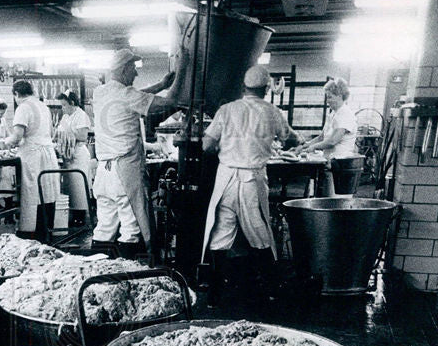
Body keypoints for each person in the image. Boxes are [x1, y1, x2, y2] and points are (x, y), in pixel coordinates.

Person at [201, 64, 301, 302]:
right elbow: (290, 140)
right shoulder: (271, 111)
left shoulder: (226, 110)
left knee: (221, 232)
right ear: (266, 89)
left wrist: (226, 148)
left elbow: (206, 145)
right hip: (251, 180)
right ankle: (270, 290)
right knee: (259, 232)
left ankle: (214, 294)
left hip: (225, 178)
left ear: (244, 87)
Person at [91, 47, 189, 259]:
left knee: (105, 225)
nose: (136, 74)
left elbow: (136, 95)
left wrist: (162, 85)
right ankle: (130, 275)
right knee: (131, 227)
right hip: (123, 172)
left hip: (103, 171)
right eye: (134, 69)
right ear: (125, 69)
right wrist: (182, 75)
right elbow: (169, 103)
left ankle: (96, 274)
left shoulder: (100, 92)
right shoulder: (127, 95)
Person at [0, 79, 60, 240]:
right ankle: (46, 232)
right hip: (48, 154)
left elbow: (17, 137)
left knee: (32, 194)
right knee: (47, 193)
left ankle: (31, 235)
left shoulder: (23, 107)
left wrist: (2, 144)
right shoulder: (42, 106)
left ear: (16, 94)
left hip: (33, 156)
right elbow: (50, 133)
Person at [299, 77, 357, 195]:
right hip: (330, 164)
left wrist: (313, 148)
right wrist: (305, 145)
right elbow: (322, 137)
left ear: (340, 96)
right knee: (325, 199)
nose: (328, 101)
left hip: (340, 167)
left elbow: (332, 141)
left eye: (330, 97)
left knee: (335, 202)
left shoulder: (345, 114)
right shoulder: (333, 114)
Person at [55, 90, 92, 228]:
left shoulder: (81, 115)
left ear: (72, 103)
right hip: (67, 156)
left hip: (78, 155)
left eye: (64, 105)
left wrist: (67, 132)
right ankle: (71, 215)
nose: (62, 108)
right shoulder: (65, 117)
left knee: (79, 187)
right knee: (69, 188)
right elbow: (58, 132)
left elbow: (82, 136)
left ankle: (80, 216)